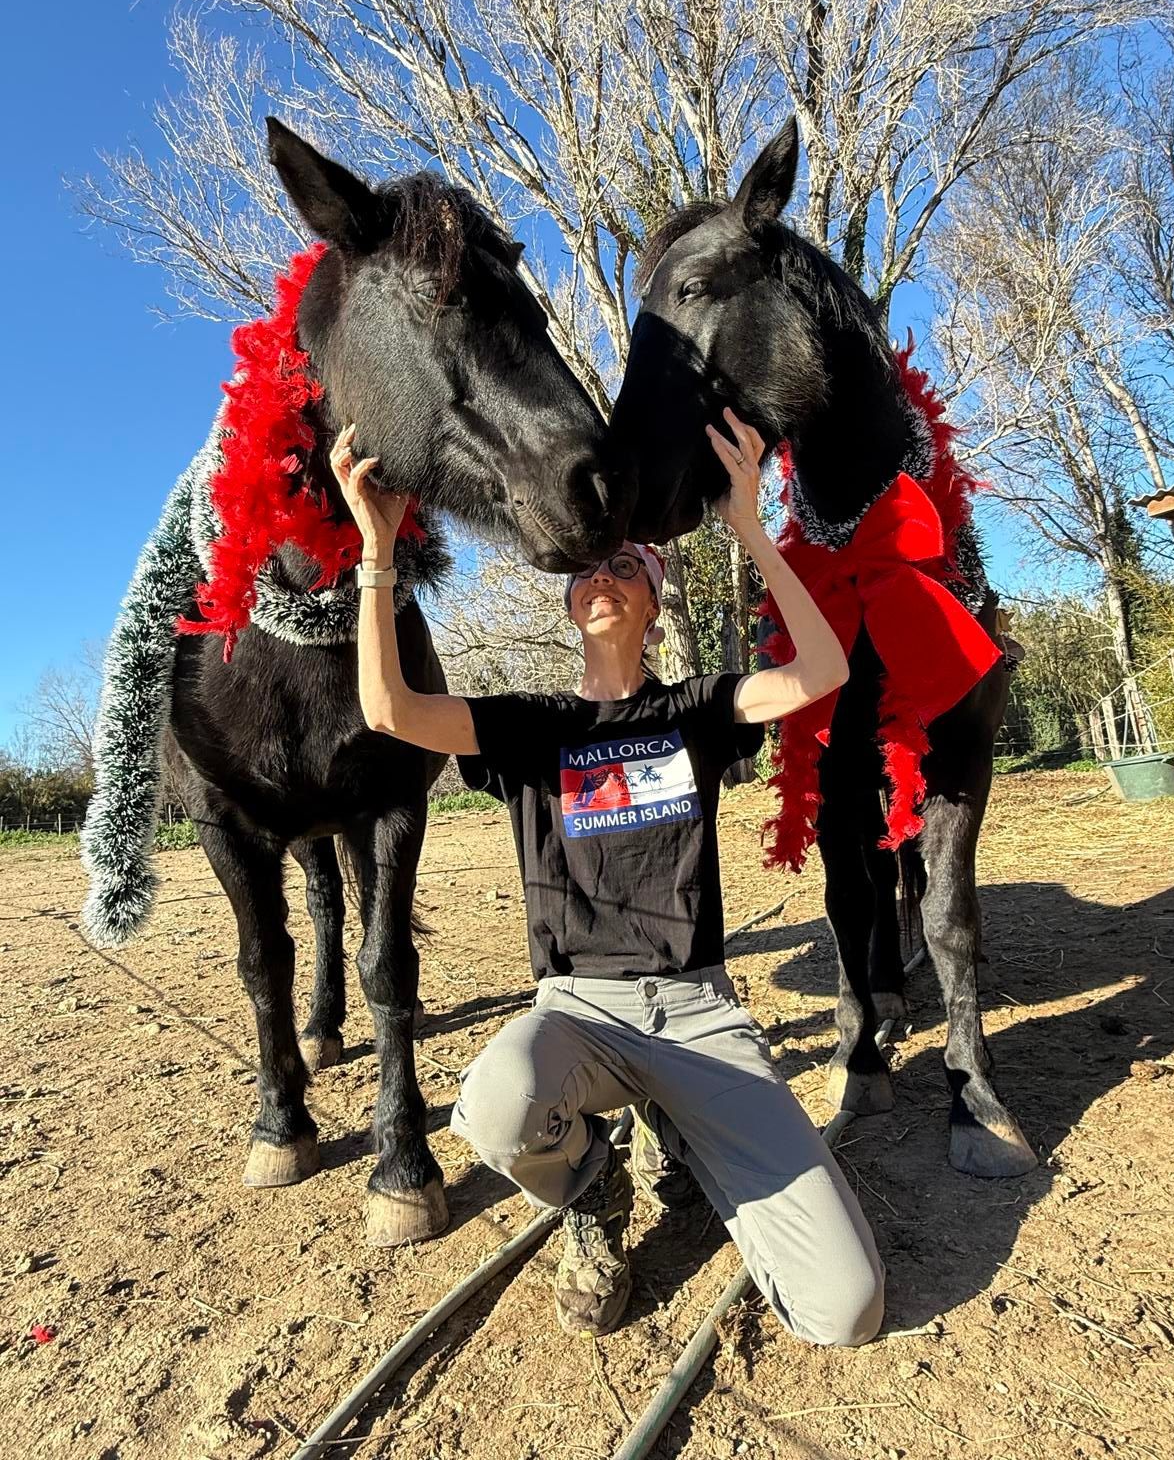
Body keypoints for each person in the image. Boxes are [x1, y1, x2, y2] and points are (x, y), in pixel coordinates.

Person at [332, 410, 885, 1346]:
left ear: (654, 602)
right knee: (497, 1104)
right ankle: (594, 1189)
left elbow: (821, 668)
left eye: (628, 564)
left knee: (848, 1310)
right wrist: (376, 551)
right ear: (568, 603)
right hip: (577, 1013)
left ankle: (678, 1126)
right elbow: (387, 708)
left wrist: (750, 524)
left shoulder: (700, 708)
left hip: (699, 1013)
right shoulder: (528, 726)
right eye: (589, 568)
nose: (605, 576)